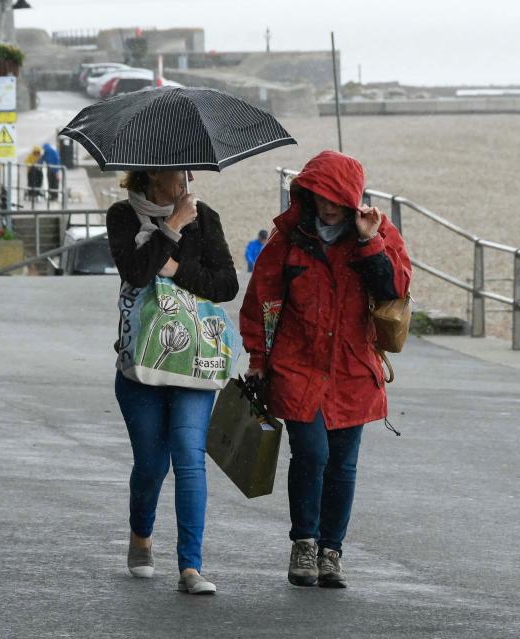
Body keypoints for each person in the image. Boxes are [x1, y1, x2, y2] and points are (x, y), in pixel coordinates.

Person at [239, 150, 411, 589]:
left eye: (336, 197)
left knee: (343, 464)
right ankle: (305, 543)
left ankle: (332, 551)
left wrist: (371, 241)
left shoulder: (376, 232)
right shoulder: (289, 239)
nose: (327, 205)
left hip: (353, 367)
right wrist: (258, 359)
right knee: (312, 453)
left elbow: (394, 288)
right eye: (319, 195)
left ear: (352, 198)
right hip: (298, 364)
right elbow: (261, 299)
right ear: (307, 192)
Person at [107, 169, 238, 595]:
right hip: (141, 361)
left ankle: (190, 567)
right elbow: (138, 272)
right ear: (149, 176)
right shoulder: (123, 216)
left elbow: (226, 285)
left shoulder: (208, 216)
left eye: (187, 170)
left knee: (188, 456)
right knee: (151, 464)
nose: (185, 178)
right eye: (174, 171)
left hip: (194, 359)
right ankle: (141, 536)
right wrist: (173, 227)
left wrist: (177, 267)